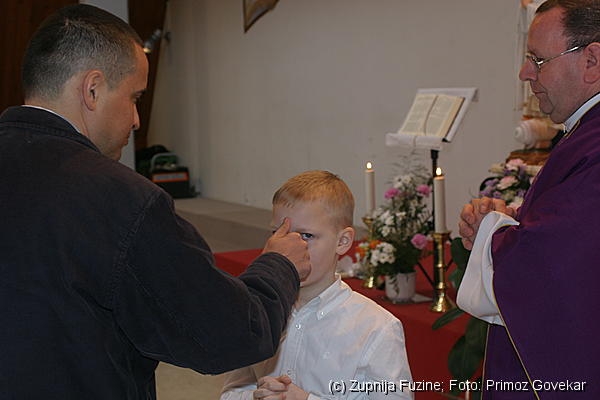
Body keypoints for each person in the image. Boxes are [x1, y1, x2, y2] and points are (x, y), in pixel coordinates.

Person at [0, 4, 310, 399]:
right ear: (92, 89)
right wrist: (278, 266)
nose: (136, 120)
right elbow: (228, 334)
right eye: (134, 98)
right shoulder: (120, 199)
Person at [457, 0, 600, 398]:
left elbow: (552, 263)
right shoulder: (585, 133)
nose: (525, 73)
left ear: (591, 61)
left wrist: (491, 230)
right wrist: (509, 218)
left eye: (538, 60)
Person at [220, 170, 413, 400]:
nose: (290, 246)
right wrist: (255, 397)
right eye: (278, 233)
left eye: (306, 236)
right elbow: (230, 391)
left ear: (342, 241)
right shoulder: (260, 311)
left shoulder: (376, 327)